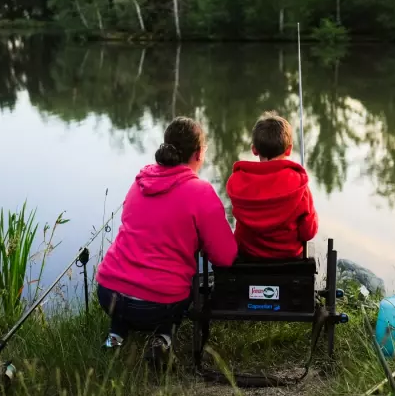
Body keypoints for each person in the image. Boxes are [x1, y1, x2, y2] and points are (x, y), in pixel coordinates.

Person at [96, 117, 237, 363]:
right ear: (198, 153)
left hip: (108, 293)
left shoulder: (140, 182)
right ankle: (162, 339)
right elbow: (225, 257)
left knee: (129, 287)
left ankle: (115, 338)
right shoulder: (201, 192)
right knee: (182, 290)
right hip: (156, 305)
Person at [226, 111, 319, 259]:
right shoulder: (299, 184)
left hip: (247, 260)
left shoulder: (238, 182)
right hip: (289, 263)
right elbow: (309, 232)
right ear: (288, 149)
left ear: (254, 150)